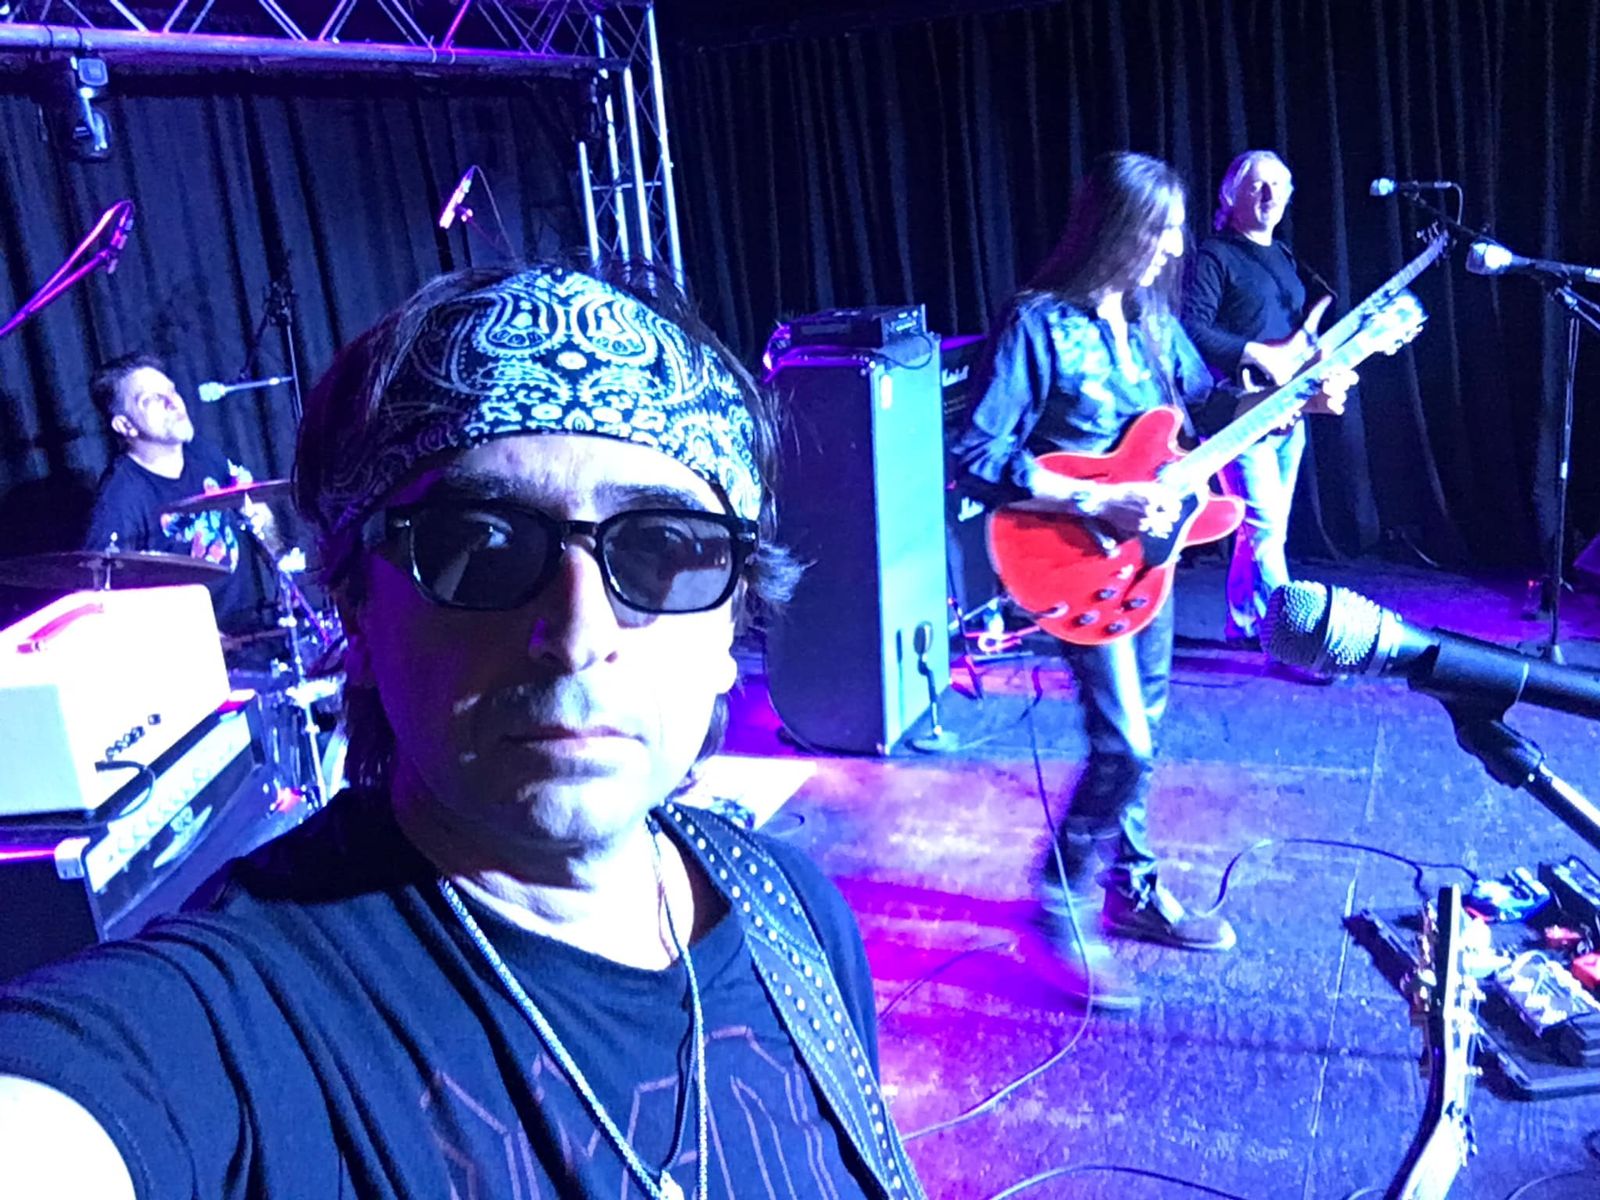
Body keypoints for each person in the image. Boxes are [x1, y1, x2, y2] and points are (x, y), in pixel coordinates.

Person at [0, 264, 925, 1200]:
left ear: (729, 628)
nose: (578, 635)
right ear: (358, 612)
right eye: (480, 545)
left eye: (660, 548)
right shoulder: (242, 1019)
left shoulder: (793, 914)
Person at [951, 152, 1351, 1008]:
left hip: (1150, 563)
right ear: (1115, 227)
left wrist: (1297, 403)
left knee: (1147, 736)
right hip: (1071, 559)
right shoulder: (1037, 325)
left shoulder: (1154, 323)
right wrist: (1095, 496)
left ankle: (1130, 892)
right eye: (1162, 230)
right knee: (1124, 742)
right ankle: (1057, 903)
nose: (1175, 247)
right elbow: (974, 454)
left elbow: (1205, 420)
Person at [1181, 150, 1335, 646]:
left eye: (1279, 186)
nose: (1270, 195)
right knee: (1264, 527)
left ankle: (1244, 624)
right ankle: (1291, 641)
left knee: (1267, 530)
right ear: (1232, 195)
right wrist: (1252, 352)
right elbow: (1190, 328)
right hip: (1237, 413)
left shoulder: (1286, 258)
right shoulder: (1215, 255)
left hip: (1288, 413)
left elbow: (1291, 336)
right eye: (1257, 186)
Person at [83, 352, 275, 637]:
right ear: (124, 425)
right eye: (151, 399)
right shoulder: (120, 499)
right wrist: (190, 636)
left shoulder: (204, 453)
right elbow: (105, 596)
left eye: (172, 391)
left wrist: (281, 562)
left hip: (250, 628)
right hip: (188, 646)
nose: (173, 403)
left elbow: (256, 510)